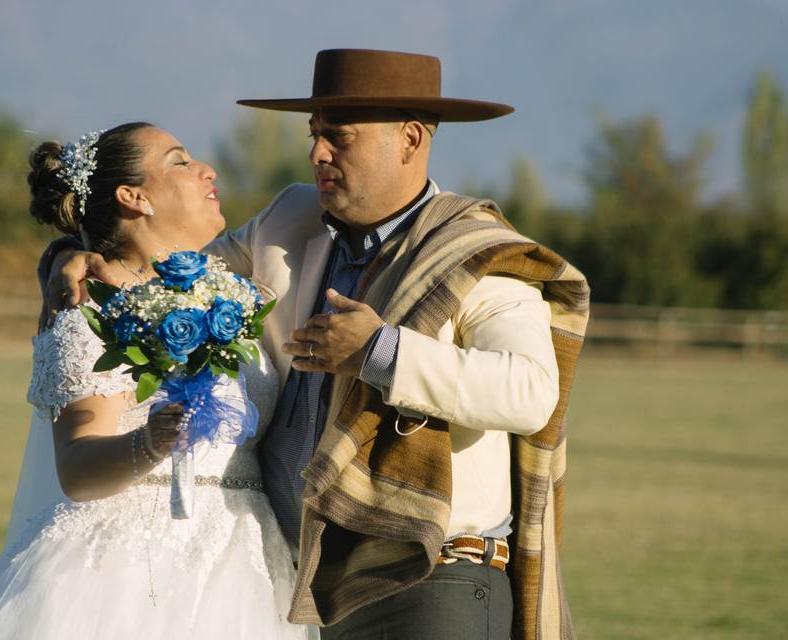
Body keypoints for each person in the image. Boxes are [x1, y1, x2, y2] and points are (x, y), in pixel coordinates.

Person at [47, 49, 590, 640]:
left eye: (340, 137)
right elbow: (164, 273)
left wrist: (379, 352)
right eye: (314, 135)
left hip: (433, 582)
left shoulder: (478, 255)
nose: (317, 154)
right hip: (303, 587)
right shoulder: (289, 219)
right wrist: (69, 255)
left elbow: (531, 390)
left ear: (409, 139)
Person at [0, 122, 315, 639]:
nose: (207, 170)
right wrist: (150, 441)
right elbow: (77, 469)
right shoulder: (84, 309)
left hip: (247, 558)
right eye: (180, 161)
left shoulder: (234, 290)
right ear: (133, 196)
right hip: (129, 569)